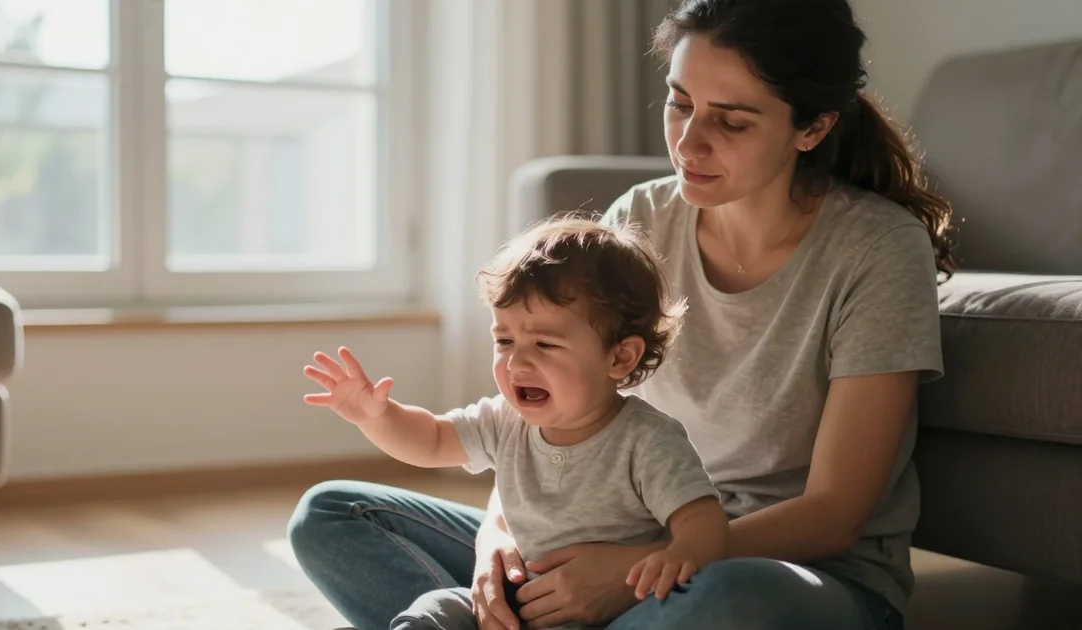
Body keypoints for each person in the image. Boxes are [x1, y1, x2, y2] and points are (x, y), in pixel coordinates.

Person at [288, 0, 955, 628]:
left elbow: (835, 515)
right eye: (680, 103)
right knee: (336, 514)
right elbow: (546, 427)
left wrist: (633, 571)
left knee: (731, 599)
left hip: (786, 574)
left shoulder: (878, 249)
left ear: (812, 126)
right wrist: (503, 540)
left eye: (731, 121)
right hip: (606, 541)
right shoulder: (641, 218)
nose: (689, 144)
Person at [300, 216, 729, 630]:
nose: (516, 361)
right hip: (514, 600)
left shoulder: (647, 439)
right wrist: (379, 417)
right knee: (435, 609)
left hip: (611, 612)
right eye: (504, 340)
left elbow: (703, 520)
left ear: (619, 357)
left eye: (544, 343)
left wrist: (680, 555)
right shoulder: (504, 420)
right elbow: (430, 440)